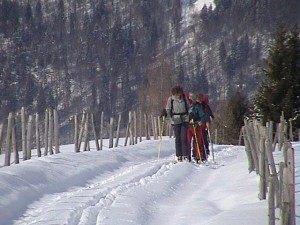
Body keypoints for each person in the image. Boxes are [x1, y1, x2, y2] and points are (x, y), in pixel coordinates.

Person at [164, 85, 190, 162]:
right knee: (177, 138)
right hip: (175, 120)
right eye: (176, 94)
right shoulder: (171, 100)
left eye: (179, 94)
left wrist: (191, 114)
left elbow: (189, 108)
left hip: (184, 119)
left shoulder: (185, 99)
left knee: (183, 137)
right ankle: (179, 155)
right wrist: (169, 120)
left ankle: (185, 155)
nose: (178, 96)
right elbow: (168, 110)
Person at [187, 93, 207, 163]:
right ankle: (189, 156)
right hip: (189, 126)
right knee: (189, 141)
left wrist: (200, 121)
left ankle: (198, 156)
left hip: (195, 126)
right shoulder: (188, 106)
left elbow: (203, 116)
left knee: (197, 142)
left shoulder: (197, 106)